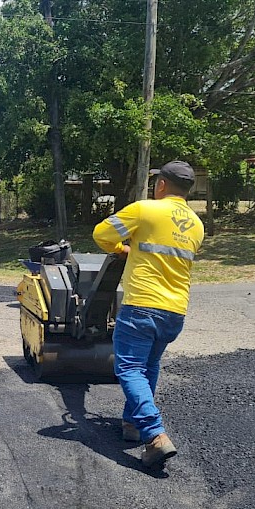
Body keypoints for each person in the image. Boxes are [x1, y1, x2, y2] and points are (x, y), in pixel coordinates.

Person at [92, 161, 205, 468]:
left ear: (162, 185)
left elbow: (101, 234)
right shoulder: (197, 224)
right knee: (149, 365)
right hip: (175, 311)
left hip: (142, 305)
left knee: (128, 368)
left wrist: (122, 248)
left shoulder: (145, 210)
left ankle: (155, 435)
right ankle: (133, 424)